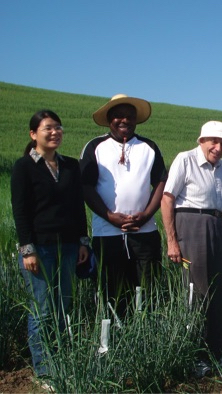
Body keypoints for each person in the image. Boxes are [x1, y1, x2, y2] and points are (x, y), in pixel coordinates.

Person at [11, 110, 89, 385]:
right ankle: (44, 372)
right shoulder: (23, 167)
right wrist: (27, 250)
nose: (55, 132)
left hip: (68, 247)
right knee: (42, 311)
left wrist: (83, 241)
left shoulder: (70, 166)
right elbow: (20, 212)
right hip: (40, 249)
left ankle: (61, 362)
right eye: (48, 128)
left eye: (58, 127)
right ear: (34, 134)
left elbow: (78, 207)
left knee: (63, 308)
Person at [80, 94, 167, 318]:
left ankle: (149, 339)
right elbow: (86, 187)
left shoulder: (149, 147)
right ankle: (114, 343)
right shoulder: (95, 147)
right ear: (109, 119)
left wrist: (147, 215)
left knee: (149, 289)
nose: (124, 121)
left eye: (129, 116)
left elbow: (160, 182)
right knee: (113, 293)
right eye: (118, 116)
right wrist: (110, 216)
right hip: (107, 233)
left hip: (145, 232)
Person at [161, 120, 222, 377]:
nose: (218, 147)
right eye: (213, 141)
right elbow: (167, 199)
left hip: (215, 226)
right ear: (201, 141)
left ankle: (215, 352)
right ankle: (195, 356)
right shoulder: (185, 160)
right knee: (197, 291)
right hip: (191, 226)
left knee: (218, 290)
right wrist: (172, 240)